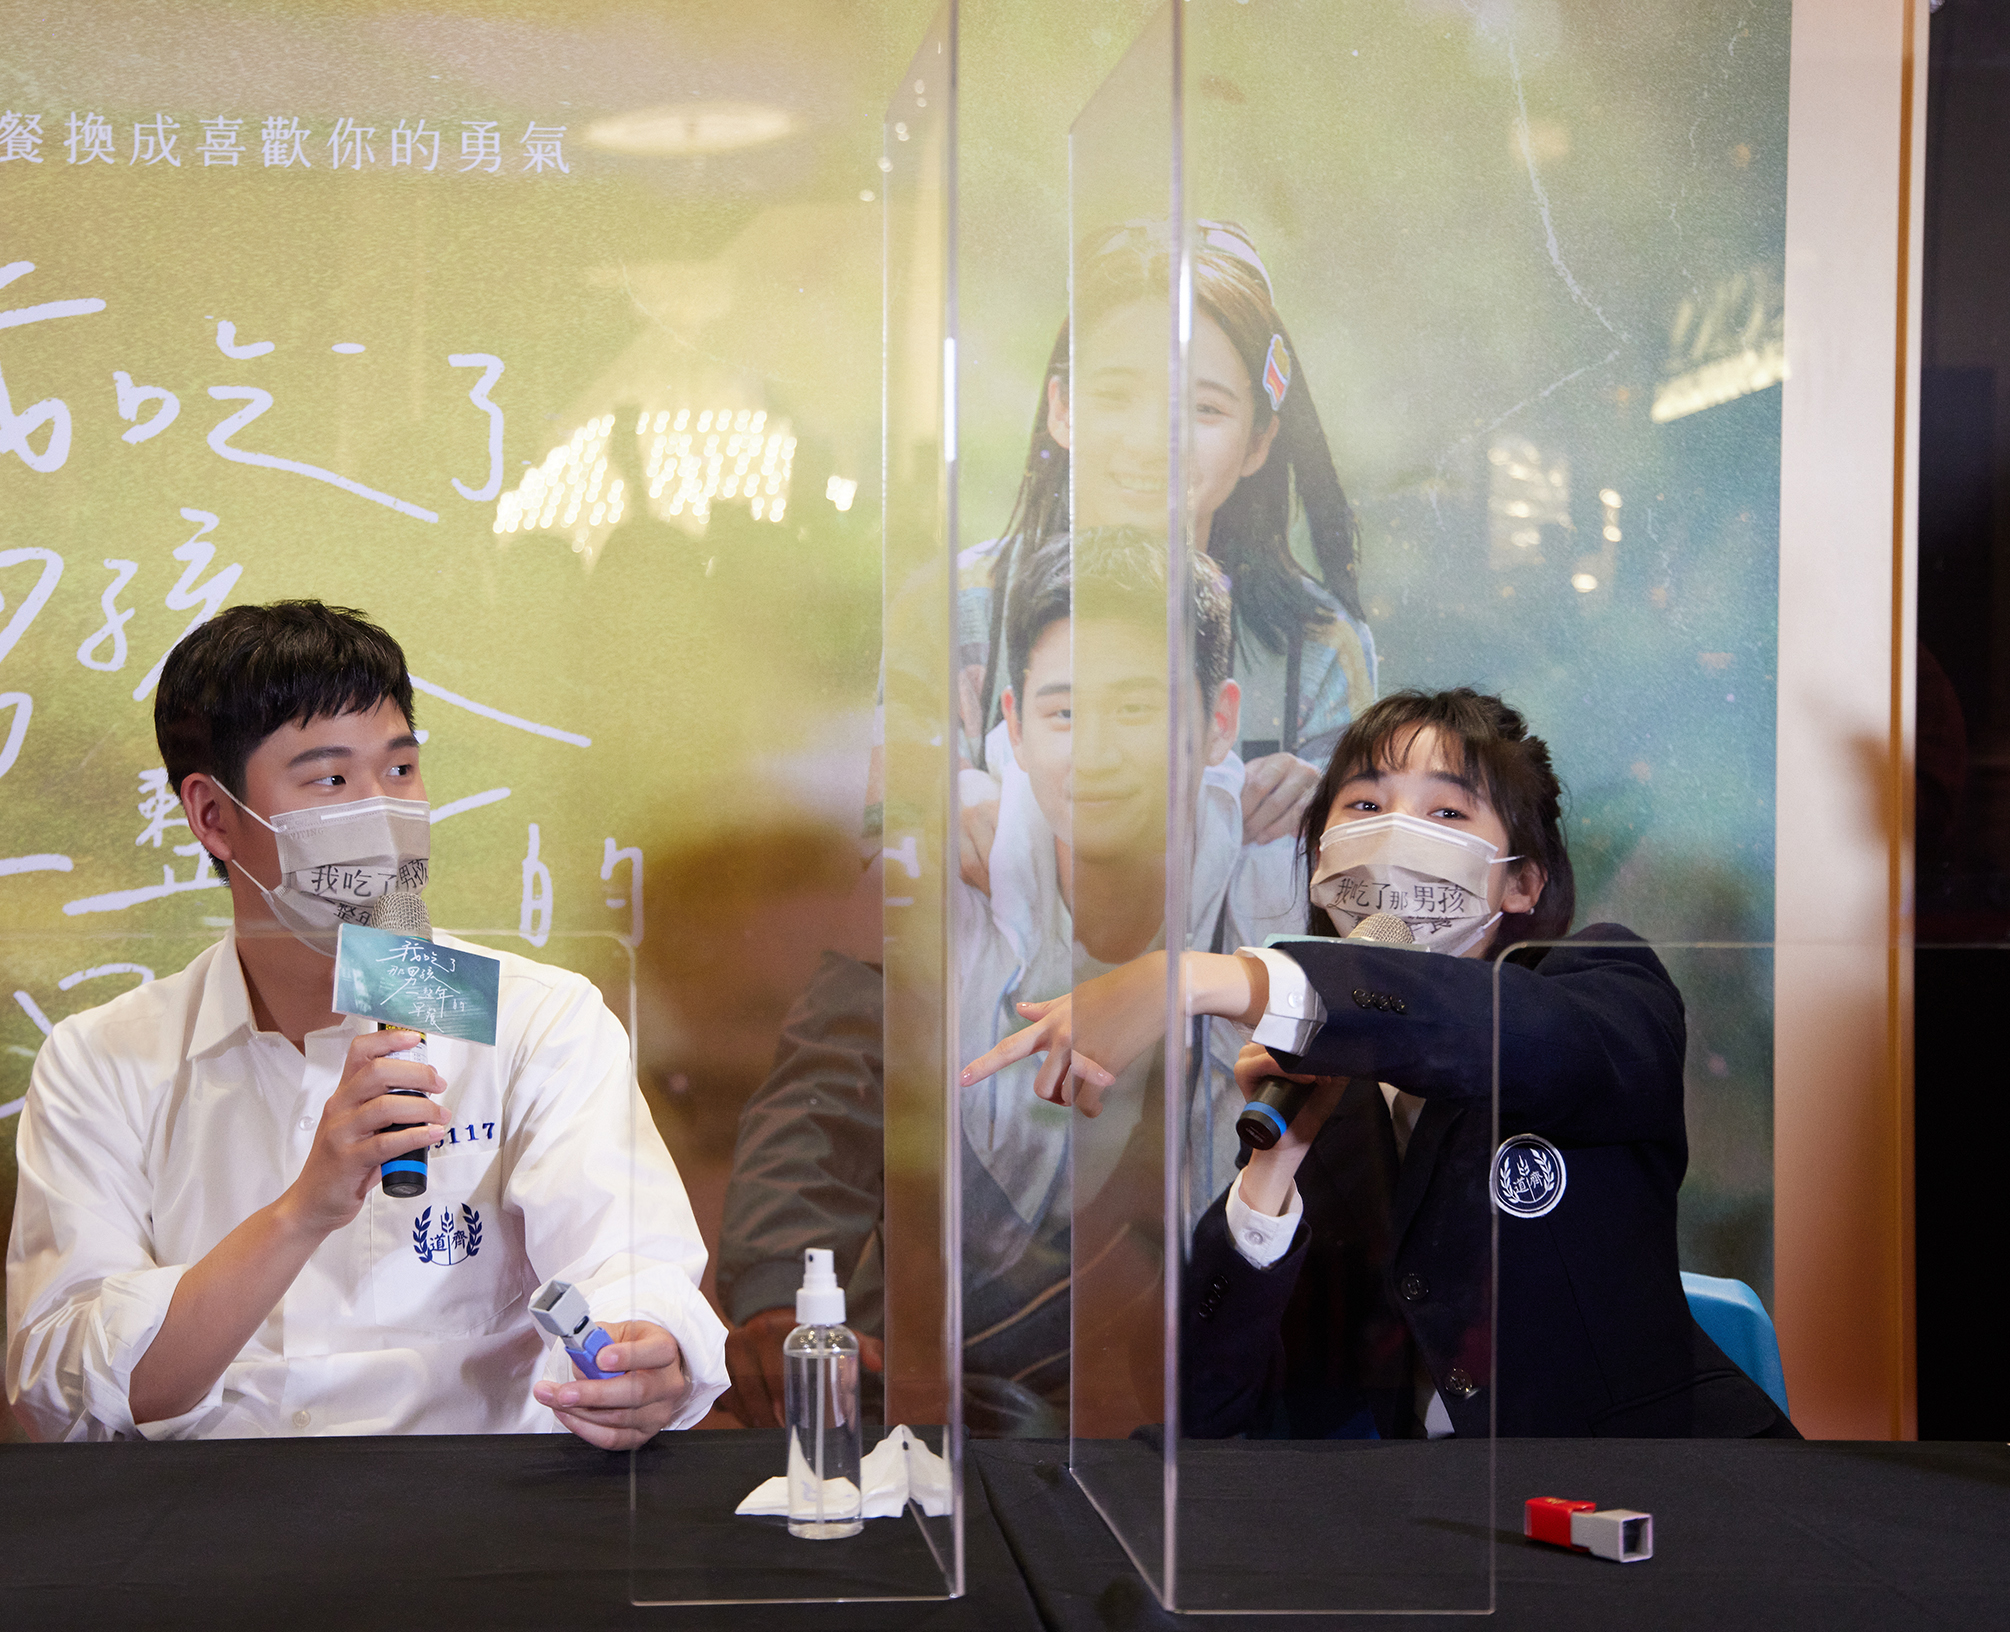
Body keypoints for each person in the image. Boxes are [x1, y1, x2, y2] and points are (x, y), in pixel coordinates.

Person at [963, 688, 1795, 1438]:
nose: (1396, 835)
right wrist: (1271, 1173)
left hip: (1664, 1488)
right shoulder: (1330, 1101)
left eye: (1447, 812)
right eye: (1364, 804)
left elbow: (1505, 1034)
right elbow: (1210, 1412)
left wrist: (1201, 978)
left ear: (1522, 884)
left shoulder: (1603, 991)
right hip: (1427, 1524)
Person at [6, 601, 727, 1447]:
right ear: (213, 816)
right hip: (207, 1508)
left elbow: (631, 1266)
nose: (383, 812)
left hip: (476, 1502)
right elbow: (65, 1389)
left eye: (401, 769)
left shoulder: (535, 1018)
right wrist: (303, 1211)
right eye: (331, 781)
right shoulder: (104, 1059)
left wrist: (647, 1353)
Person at [721, 528, 1293, 1434]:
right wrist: (778, 1295)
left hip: (1209, 1402)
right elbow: (826, 1096)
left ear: (1218, 721)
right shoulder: (944, 870)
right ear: (1015, 727)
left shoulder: (1282, 879)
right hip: (945, 1389)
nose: (1095, 753)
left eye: (1137, 710)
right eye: (1064, 715)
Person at [958, 219, 1376, 894]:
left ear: (1258, 441)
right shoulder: (962, 603)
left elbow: (1361, 897)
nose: (1153, 441)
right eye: (1114, 396)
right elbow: (878, 855)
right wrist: (937, 802)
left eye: (1203, 409)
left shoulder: (1319, 643)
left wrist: (1335, 808)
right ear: (1062, 408)